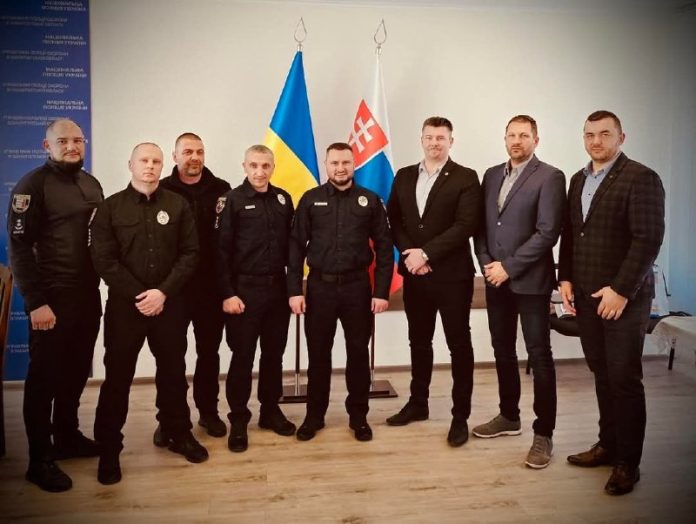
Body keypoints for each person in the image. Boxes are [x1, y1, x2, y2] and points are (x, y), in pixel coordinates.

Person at [558, 110, 665, 495]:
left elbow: (648, 239)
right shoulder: (578, 179)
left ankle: (627, 463)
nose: (596, 141)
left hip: (624, 300)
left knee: (623, 379)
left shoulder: (641, 178)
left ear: (622, 137)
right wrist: (565, 277)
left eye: (605, 134)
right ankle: (607, 445)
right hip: (587, 297)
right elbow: (572, 233)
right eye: (590, 134)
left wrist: (621, 290)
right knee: (602, 373)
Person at [90, 142, 208, 485]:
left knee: (173, 373)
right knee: (117, 378)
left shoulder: (177, 204)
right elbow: (104, 260)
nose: (150, 165)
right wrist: (142, 295)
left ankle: (178, 433)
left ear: (162, 165)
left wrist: (162, 292)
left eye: (156, 161)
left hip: (169, 305)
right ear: (130, 164)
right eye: (144, 160)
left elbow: (190, 253)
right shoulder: (110, 208)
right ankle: (109, 449)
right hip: (126, 308)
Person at [7, 118, 103, 492]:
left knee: (76, 371)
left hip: (87, 296)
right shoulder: (32, 186)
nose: (72, 146)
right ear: (46, 146)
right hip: (51, 298)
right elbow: (18, 248)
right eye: (63, 141)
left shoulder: (91, 183)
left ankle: (66, 436)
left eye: (78, 140)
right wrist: (36, 303)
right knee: (44, 379)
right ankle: (39, 460)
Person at [473, 115, 566, 468]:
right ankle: (509, 416)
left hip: (530, 283)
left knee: (539, 355)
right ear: (504, 139)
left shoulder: (550, 177)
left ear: (536, 140)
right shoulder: (491, 175)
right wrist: (487, 263)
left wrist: (508, 267)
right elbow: (481, 227)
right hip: (495, 280)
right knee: (502, 349)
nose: (516, 140)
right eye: (511, 135)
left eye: (524, 135)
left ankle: (544, 433)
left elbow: (547, 233)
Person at [386, 116, 481, 447]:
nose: (435, 143)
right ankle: (418, 404)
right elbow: (394, 220)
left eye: (441, 138)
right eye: (430, 137)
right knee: (419, 342)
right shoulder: (404, 176)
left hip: (453, 277)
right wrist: (411, 256)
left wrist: (425, 254)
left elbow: (465, 225)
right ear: (422, 139)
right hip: (416, 276)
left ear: (451, 142)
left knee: (458, 345)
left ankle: (460, 416)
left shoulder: (466, 177)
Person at [288, 142, 393, 442]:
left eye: (346, 162)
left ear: (353, 163)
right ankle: (314, 416)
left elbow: (385, 248)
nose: (340, 168)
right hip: (319, 288)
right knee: (318, 355)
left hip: (357, 288)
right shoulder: (311, 199)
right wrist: (294, 290)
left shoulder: (370, 200)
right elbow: (295, 247)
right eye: (334, 163)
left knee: (358, 354)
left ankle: (358, 417)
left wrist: (381, 292)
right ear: (326, 164)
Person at [216, 144, 295, 452]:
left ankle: (270, 411)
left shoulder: (282, 199)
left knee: (274, 355)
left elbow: (292, 248)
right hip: (244, 292)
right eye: (254, 165)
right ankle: (238, 419)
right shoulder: (231, 201)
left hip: (277, 291)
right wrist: (228, 294)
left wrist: (293, 290)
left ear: (273, 167)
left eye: (265, 166)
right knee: (242, 357)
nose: (260, 172)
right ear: (244, 166)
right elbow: (220, 253)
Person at [157, 132, 231, 441]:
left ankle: (208, 412)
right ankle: (168, 419)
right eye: (187, 152)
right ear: (175, 156)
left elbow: (229, 240)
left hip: (210, 289)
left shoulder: (222, 189)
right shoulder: (161, 189)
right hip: (173, 288)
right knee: (171, 357)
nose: (194, 157)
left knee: (209, 354)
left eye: (199, 151)